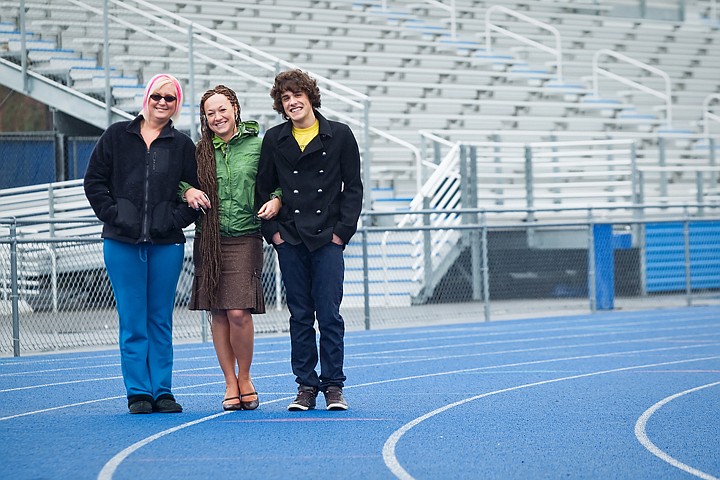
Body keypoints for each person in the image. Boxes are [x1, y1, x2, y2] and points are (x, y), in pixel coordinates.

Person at [84, 73, 198, 414]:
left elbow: (192, 193)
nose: (162, 102)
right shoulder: (117, 136)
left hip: (166, 246)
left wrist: (172, 221)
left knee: (160, 319)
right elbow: (94, 182)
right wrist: (115, 214)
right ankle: (138, 392)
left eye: (170, 98)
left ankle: (162, 390)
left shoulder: (182, 145)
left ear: (177, 105)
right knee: (133, 320)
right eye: (157, 96)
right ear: (146, 98)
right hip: (122, 243)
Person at [256, 69, 363, 411]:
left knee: (329, 314)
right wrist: (274, 236)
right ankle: (305, 386)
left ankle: (333, 386)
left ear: (310, 97)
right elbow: (263, 188)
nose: (292, 102)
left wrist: (341, 234)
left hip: (328, 239)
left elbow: (354, 188)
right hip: (291, 238)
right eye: (285, 99)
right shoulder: (274, 139)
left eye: (297, 95)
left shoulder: (340, 135)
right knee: (300, 315)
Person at [181, 85, 281, 411]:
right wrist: (187, 191)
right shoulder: (199, 151)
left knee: (238, 312)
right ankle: (229, 382)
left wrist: (277, 199)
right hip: (209, 239)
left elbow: (277, 180)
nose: (217, 117)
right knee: (219, 312)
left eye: (222, 109)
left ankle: (246, 376)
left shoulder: (259, 145)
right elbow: (180, 179)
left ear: (235, 108)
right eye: (210, 113)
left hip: (246, 235)